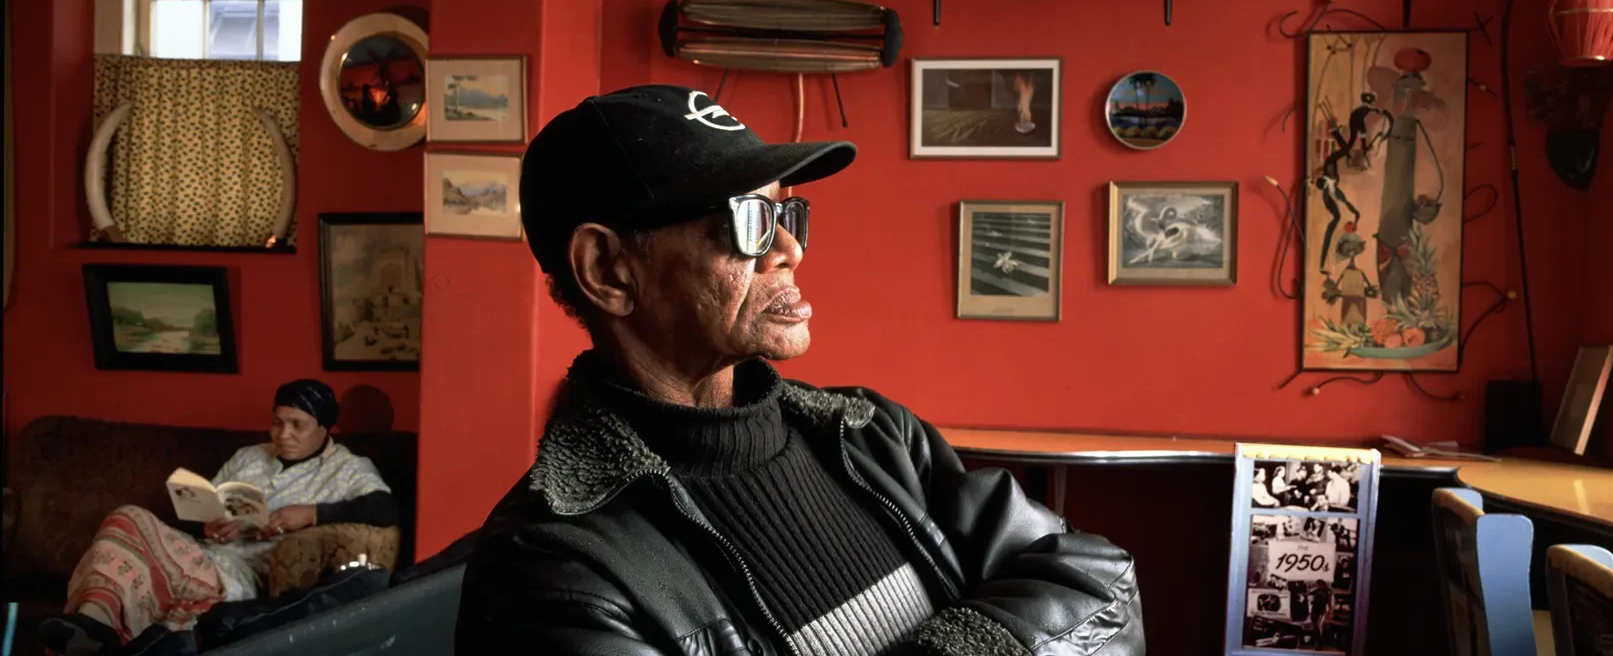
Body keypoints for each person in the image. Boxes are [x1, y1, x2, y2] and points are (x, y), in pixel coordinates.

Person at [456, 85, 1145, 656]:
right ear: (608, 270)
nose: (789, 249)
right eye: (748, 219)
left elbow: (1098, 578)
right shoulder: (549, 570)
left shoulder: (873, 434)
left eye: (785, 212)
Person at [42, 380, 398, 655]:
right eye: (277, 422)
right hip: (204, 551)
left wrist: (311, 513)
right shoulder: (249, 457)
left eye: (297, 425)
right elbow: (209, 502)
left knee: (136, 534)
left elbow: (384, 509)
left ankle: (99, 632)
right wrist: (213, 523)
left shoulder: (347, 468)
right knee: (125, 518)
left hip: (244, 571)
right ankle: (90, 625)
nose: (283, 434)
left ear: (324, 427)